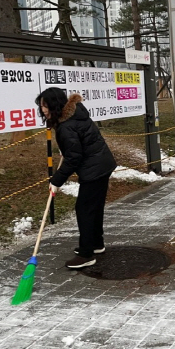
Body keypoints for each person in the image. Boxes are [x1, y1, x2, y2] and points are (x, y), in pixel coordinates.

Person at [37, 87, 117, 269]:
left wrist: (56, 180)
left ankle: (86, 254)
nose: (43, 110)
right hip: (102, 164)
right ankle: (96, 244)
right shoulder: (75, 114)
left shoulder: (66, 126)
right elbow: (77, 147)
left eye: (45, 105)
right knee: (94, 207)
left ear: (54, 105)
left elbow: (74, 157)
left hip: (94, 169)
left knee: (85, 210)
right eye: (41, 106)